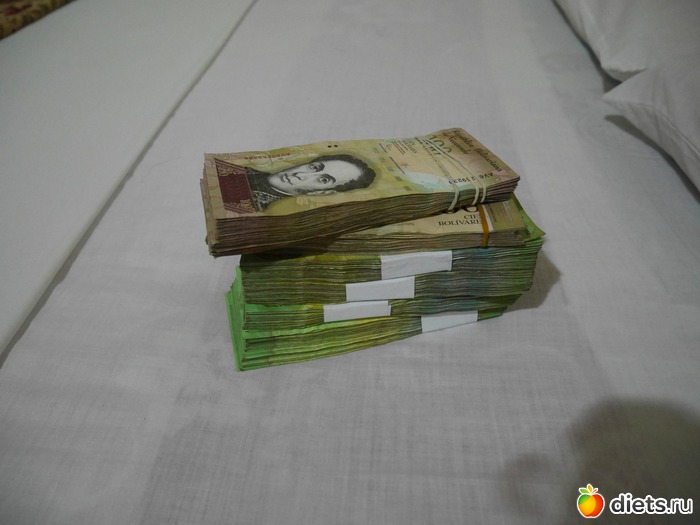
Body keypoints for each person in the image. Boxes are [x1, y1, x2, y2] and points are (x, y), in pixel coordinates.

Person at [245, 154, 376, 210]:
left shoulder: (258, 209)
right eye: (314, 167)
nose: (300, 175)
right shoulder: (243, 169)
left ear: (322, 192)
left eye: (323, 180)